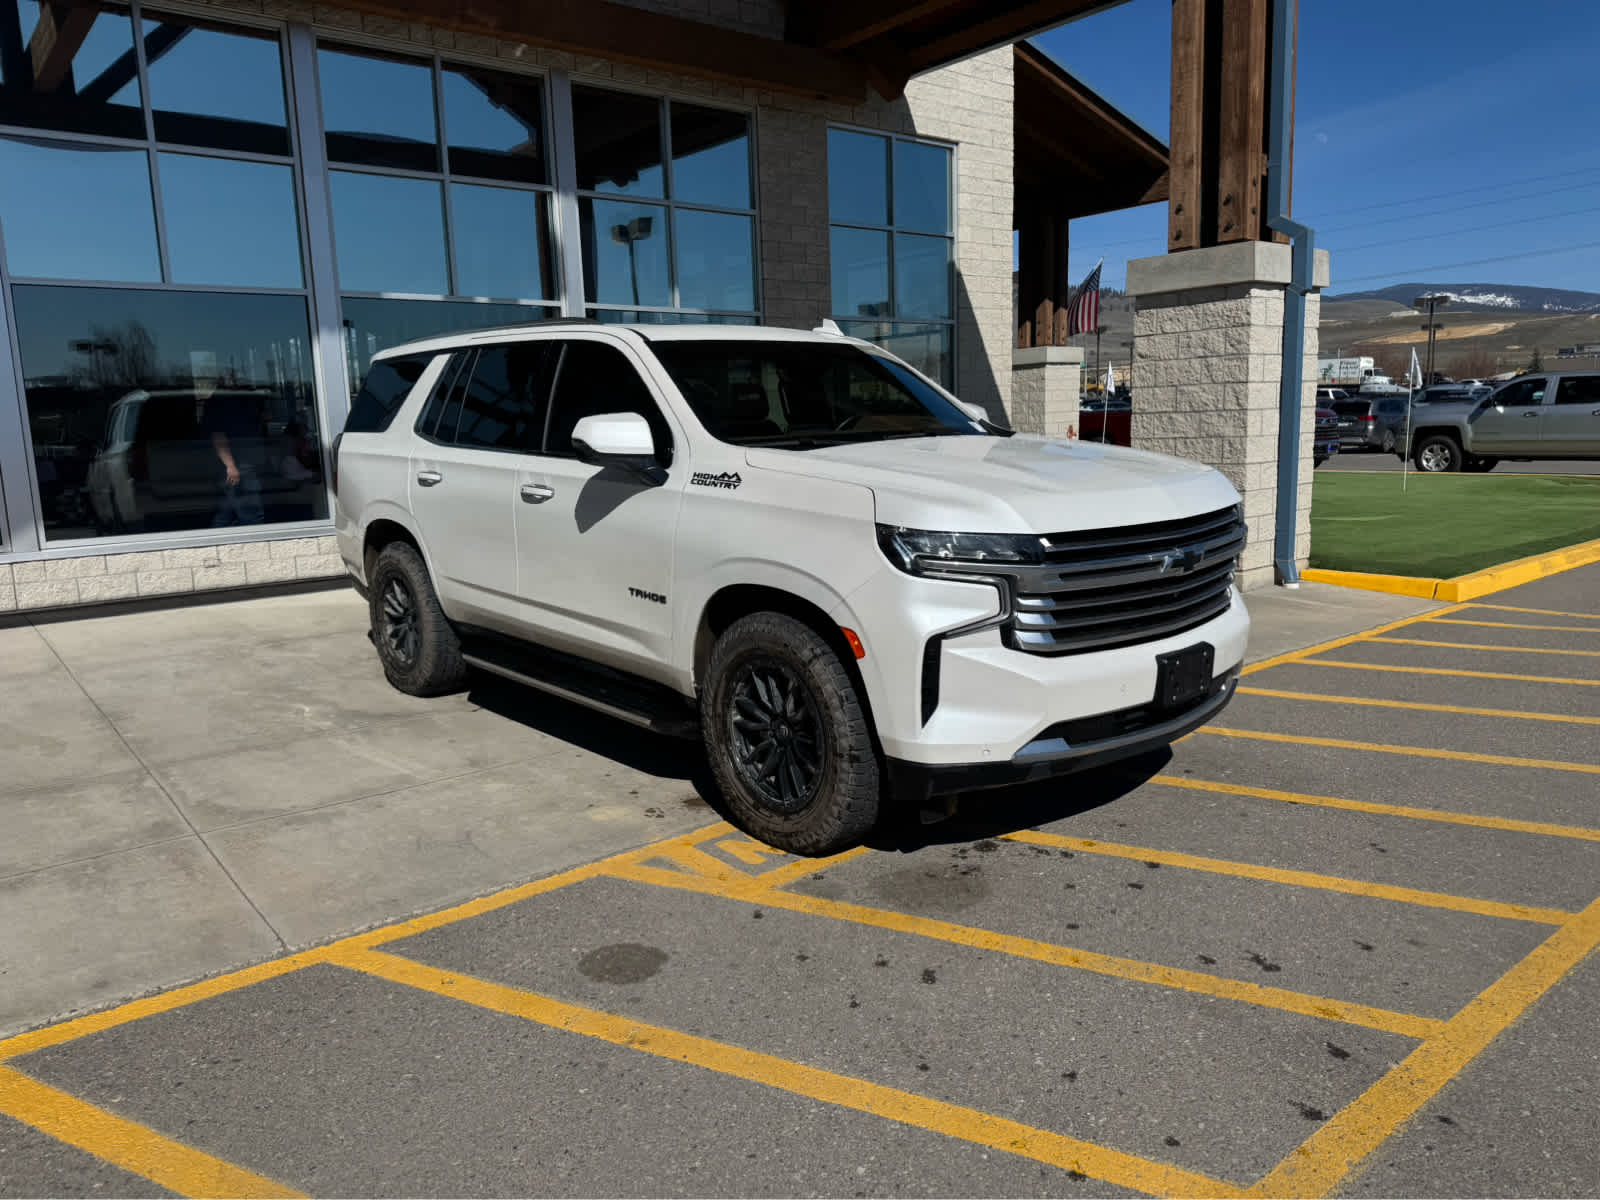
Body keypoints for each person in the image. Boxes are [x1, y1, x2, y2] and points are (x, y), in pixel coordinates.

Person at [201, 389, 266, 526]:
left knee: (225, 515)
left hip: (239, 465)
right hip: (238, 468)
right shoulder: (222, 402)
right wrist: (230, 466)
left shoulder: (242, 398)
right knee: (252, 517)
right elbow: (218, 436)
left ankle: (217, 541)